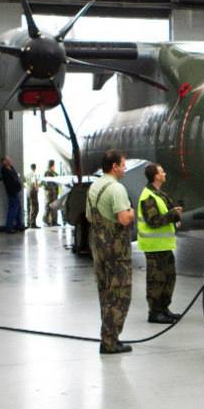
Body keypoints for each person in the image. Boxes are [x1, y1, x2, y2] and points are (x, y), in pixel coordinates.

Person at [86, 150, 135, 355]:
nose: (125, 168)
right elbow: (124, 218)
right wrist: (132, 211)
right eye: (123, 165)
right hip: (117, 253)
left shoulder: (95, 186)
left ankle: (108, 337)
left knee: (105, 294)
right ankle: (110, 341)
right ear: (114, 166)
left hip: (99, 248)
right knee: (119, 295)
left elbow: (89, 217)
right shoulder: (117, 189)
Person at [137, 162, 183, 324]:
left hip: (164, 245)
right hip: (154, 247)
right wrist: (173, 214)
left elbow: (168, 212)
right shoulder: (148, 197)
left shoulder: (160, 194)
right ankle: (155, 312)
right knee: (156, 279)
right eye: (162, 172)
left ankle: (164, 308)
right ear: (156, 176)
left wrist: (175, 214)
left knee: (169, 277)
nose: (164, 174)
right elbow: (153, 221)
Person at [0, 156, 23, 234]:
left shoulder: (11, 168)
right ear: (4, 162)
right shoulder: (4, 170)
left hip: (17, 191)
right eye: (7, 160)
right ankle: (9, 227)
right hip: (13, 193)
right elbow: (9, 183)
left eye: (9, 159)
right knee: (13, 210)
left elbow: (16, 177)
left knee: (18, 209)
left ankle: (19, 225)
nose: (10, 160)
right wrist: (13, 191)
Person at [43, 159, 60, 226]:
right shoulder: (47, 173)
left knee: (54, 207)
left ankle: (54, 221)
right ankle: (46, 220)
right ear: (52, 165)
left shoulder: (54, 173)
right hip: (50, 193)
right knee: (48, 206)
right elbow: (47, 183)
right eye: (54, 165)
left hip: (54, 192)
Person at [25, 163, 40, 228]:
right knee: (35, 207)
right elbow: (34, 182)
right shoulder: (34, 174)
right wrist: (36, 188)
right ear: (35, 168)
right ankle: (33, 223)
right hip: (33, 191)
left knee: (29, 207)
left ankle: (28, 222)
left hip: (28, 191)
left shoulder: (27, 174)